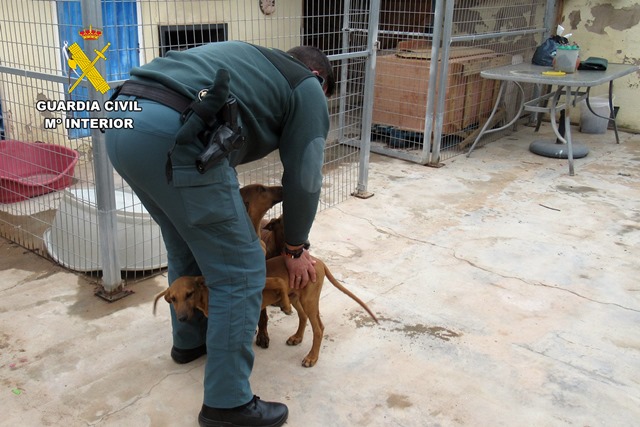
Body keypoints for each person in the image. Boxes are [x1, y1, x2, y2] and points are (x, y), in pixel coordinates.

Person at [104, 41, 334, 427]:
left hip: (121, 123)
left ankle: (190, 341)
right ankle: (227, 404)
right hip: (173, 130)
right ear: (319, 79)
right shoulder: (307, 87)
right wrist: (295, 245)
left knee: (184, 242)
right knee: (242, 268)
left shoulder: (255, 60)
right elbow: (306, 175)